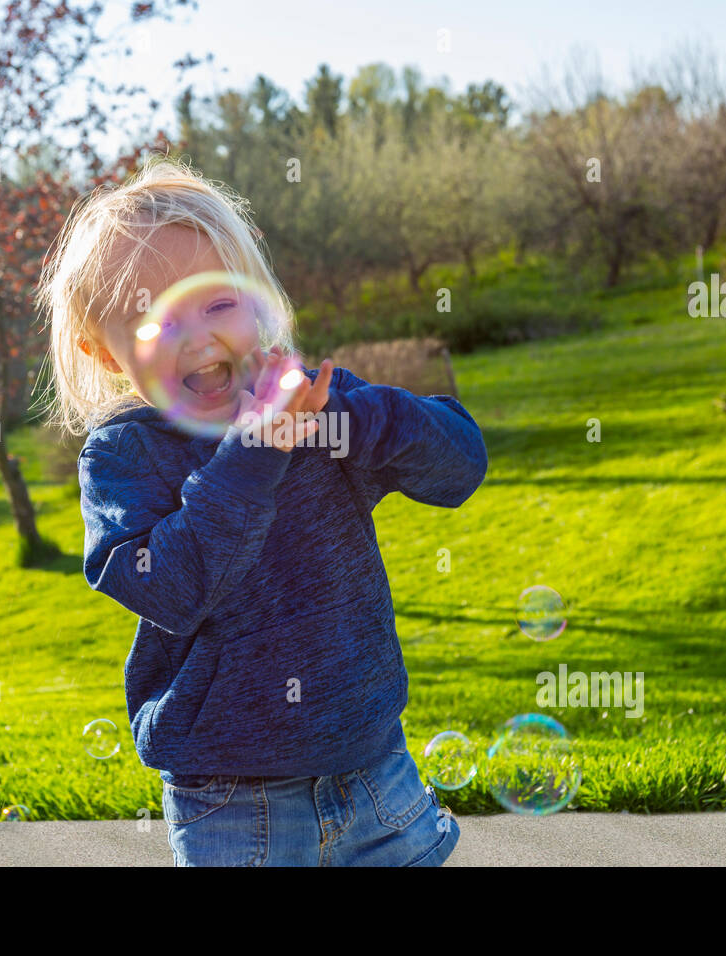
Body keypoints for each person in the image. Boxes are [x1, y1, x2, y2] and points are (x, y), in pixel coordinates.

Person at [38, 157, 487, 865]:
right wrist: (250, 454)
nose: (197, 336)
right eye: (155, 320)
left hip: (375, 767)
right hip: (232, 799)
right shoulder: (124, 456)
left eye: (217, 304)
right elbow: (171, 585)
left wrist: (349, 415)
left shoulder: (316, 407)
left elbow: (460, 466)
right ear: (103, 352)